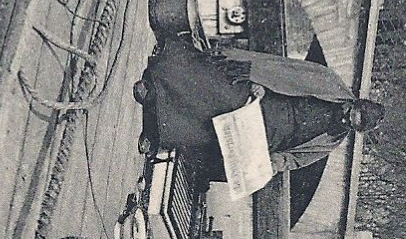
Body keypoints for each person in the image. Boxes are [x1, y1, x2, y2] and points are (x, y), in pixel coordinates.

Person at [134, 34, 384, 179]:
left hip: (264, 136)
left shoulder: (330, 142)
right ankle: (154, 89)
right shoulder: (329, 82)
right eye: (352, 113)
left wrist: (271, 164)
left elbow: (293, 160)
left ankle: (157, 132)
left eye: (353, 124)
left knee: (216, 138)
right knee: (223, 94)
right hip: (264, 98)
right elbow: (283, 72)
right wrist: (261, 83)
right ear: (354, 102)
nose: (347, 120)